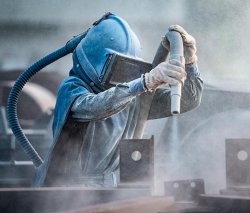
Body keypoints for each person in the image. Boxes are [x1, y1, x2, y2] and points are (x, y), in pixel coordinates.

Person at [33, 13, 203, 187]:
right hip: (65, 192)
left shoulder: (133, 95)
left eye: (128, 68)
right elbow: (95, 107)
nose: (122, 77)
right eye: (117, 67)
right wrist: (144, 82)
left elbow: (189, 100)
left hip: (111, 191)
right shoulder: (72, 88)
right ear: (96, 62)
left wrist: (190, 61)